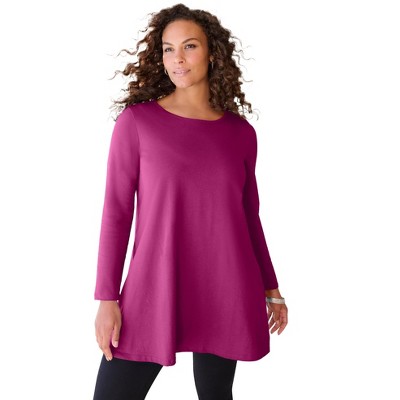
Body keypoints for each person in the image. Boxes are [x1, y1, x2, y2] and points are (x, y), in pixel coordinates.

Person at [93, 3, 288, 399]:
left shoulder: (240, 133)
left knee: (216, 395)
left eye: (190, 46)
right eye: (168, 49)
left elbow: (249, 217)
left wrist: (272, 288)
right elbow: (116, 212)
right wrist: (106, 298)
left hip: (227, 285)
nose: (177, 59)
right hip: (155, 286)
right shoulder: (137, 123)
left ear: (212, 52)